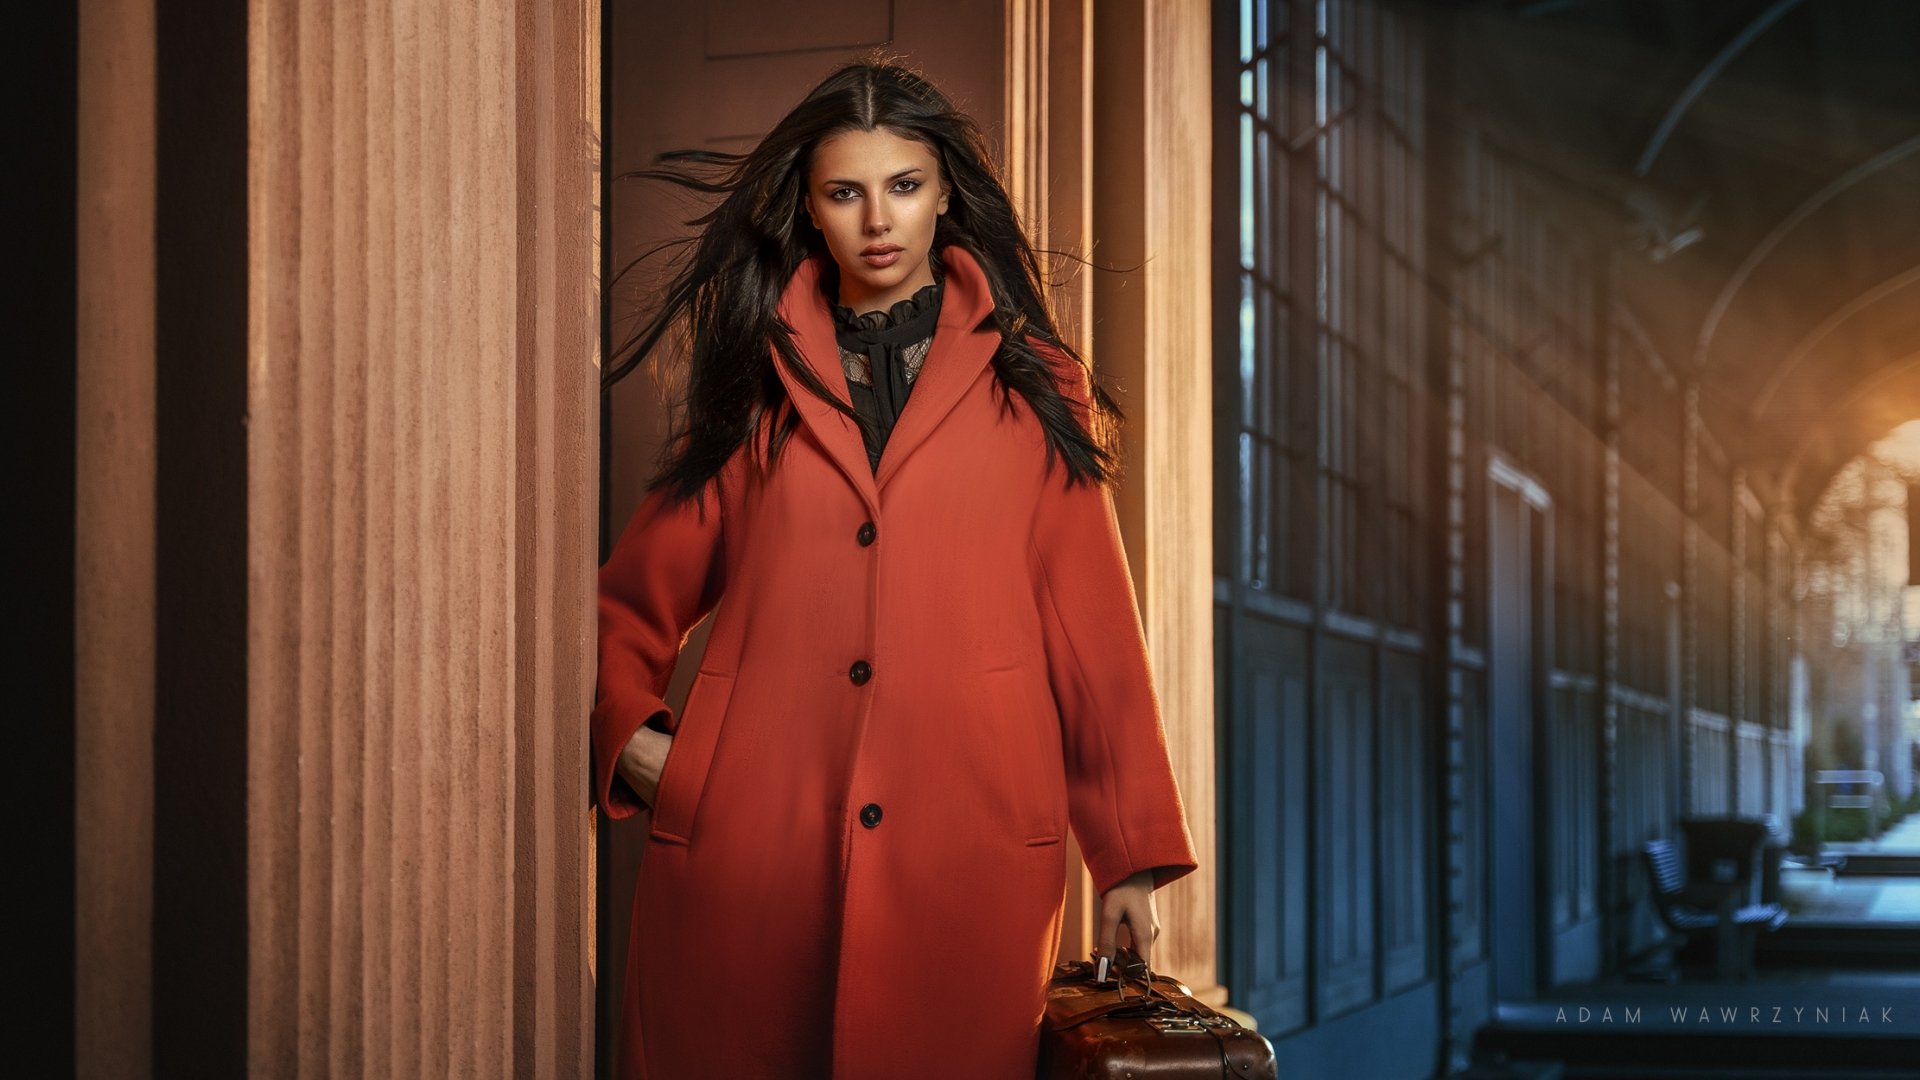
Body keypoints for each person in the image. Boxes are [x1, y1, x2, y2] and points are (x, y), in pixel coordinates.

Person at [594, 57, 1198, 1080]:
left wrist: (1129, 856)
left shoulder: (1034, 381)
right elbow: (626, 608)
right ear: (812, 209)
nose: (879, 219)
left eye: (904, 185)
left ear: (946, 192)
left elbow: (1093, 632)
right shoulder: (755, 384)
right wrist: (647, 746)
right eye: (846, 191)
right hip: (756, 854)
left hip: (968, 854)